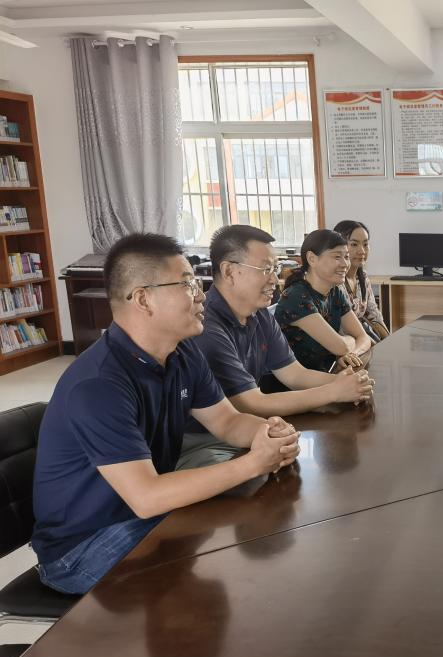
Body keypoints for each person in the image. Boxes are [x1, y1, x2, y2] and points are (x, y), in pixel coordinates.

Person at [31, 233, 301, 594]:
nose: (201, 294)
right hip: (83, 546)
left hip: (141, 515)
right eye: (187, 284)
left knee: (249, 527)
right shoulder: (98, 385)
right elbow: (147, 497)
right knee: (235, 567)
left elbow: (227, 420)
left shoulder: (183, 353)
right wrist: (254, 463)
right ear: (143, 298)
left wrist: (267, 433)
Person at [178, 224, 375, 468]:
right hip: (204, 440)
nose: (274, 279)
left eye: (275, 269)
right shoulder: (207, 327)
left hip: (247, 428)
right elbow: (251, 403)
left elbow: (295, 375)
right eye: (265, 269)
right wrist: (333, 392)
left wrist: (345, 383)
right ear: (229, 271)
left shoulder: (258, 314)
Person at [274, 229, 373, 372]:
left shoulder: (335, 292)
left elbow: (363, 337)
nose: (345, 264)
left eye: (346, 256)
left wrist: (352, 354)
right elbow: (340, 347)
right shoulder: (296, 297)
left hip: (328, 375)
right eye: (337, 257)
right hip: (298, 382)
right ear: (312, 259)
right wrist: (350, 341)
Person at [334, 219, 389, 341]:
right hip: (344, 343)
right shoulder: (335, 282)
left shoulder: (362, 277)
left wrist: (389, 340)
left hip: (362, 340)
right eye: (354, 244)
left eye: (365, 244)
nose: (362, 251)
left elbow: (374, 315)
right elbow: (341, 329)